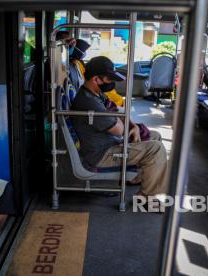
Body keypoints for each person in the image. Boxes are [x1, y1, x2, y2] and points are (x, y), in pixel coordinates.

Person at [71, 56, 168, 198]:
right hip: (101, 154)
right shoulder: (89, 102)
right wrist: (122, 122)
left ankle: (139, 178)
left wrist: (133, 126)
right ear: (96, 79)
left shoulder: (97, 94)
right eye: (108, 79)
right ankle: (147, 198)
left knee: (155, 136)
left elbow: (120, 111)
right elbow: (119, 129)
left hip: (110, 142)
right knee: (155, 149)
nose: (111, 83)